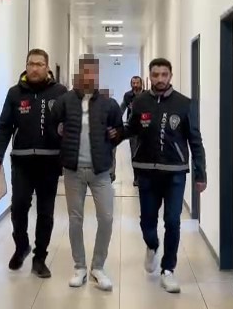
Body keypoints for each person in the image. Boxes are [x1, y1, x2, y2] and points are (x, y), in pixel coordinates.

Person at [123, 58, 207, 293]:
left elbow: (195, 140)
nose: (160, 79)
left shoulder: (185, 103)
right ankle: (152, 245)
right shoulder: (139, 102)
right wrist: (110, 135)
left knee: (172, 221)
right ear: (150, 76)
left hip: (175, 173)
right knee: (147, 222)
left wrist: (201, 173)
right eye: (155, 75)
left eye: (164, 74)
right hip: (146, 171)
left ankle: (168, 270)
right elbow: (131, 129)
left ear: (170, 76)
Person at [0, 49, 68, 278]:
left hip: (49, 162)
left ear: (47, 68)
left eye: (39, 64)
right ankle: (21, 246)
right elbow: (4, 126)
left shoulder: (60, 92)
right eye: (31, 64)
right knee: (19, 206)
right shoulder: (15, 93)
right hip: (22, 161)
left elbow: (70, 125)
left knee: (46, 212)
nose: (34, 68)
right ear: (26, 66)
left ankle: (40, 258)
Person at [51, 55, 124, 291]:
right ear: (79, 74)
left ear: (97, 75)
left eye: (93, 72)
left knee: (107, 218)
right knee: (75, 219)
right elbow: (52, 127)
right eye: (85, 72)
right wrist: (58, 133)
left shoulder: (108, 103)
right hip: (73, 171)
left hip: (100, 171)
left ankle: (98, 267)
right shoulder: (65, 101)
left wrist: (115, 135)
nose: (89, 76)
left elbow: (119, 130)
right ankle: (80, 266)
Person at [120, 76, 145, 186]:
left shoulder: (147, 95)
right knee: (134, 153)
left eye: (137, 83)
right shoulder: (128, 96)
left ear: (141, 84)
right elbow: (122, 108)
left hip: (146, 129)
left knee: (145, 153)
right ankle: (137, 178)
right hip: (133, 129)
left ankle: (144, 177)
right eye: (133, 83)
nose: (135, 85)